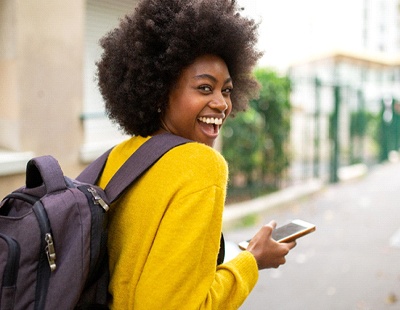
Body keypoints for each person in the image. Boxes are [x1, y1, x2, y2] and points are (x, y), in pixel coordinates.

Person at [96, 0, 296, 308]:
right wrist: (251, 262)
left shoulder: (120, 156)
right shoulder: (201, 166)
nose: (221, 104)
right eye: (205, 88)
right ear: (161, 91)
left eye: (226, 90)